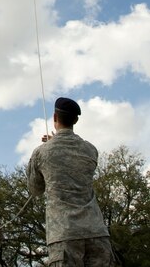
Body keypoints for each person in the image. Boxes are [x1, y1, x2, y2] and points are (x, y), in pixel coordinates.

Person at [26, 97, 115, 267]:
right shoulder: (90, 150)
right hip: (97, 233)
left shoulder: (41, 153)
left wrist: (52, 145)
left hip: (64, 234)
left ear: (54, 118)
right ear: (75, 120)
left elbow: (35, 189)